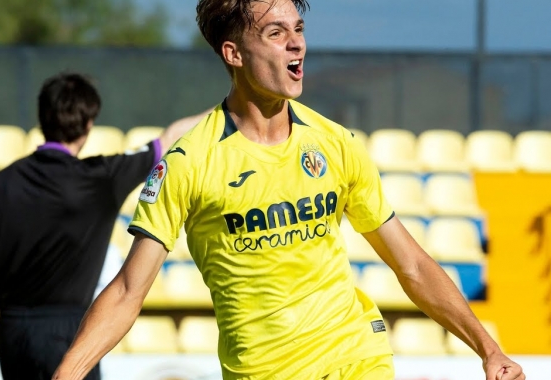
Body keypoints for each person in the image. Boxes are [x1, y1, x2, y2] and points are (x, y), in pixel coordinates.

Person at [51, 1, 526, 380]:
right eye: (276, 33)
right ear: (233, 53)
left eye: (298, 29)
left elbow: (413, 265)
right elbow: (130, 290)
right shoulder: (188, 162)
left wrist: (488, 349)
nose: (296, 44)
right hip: (262, 370)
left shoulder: (337, 143)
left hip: (355, 353)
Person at [0, 72, 208, 380]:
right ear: (88, 125)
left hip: (11, 332)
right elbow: (170, 138)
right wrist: (233, 105)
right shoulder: (101, 178)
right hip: (70, 331)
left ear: (43, 118)